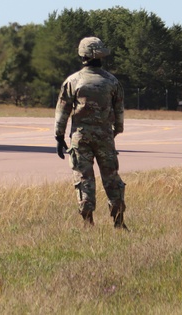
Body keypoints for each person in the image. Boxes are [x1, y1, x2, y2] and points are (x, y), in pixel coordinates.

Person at [54, 36, 127, 228]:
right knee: (111, 178)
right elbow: (119, 111)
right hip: (105, 136)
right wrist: (115, 131)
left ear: (82, 55)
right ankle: (118, 221)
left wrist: (59, 135)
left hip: (81, 137)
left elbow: (63, 110)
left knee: (83, 178)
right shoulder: (112, 81)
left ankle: (88, 222)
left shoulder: (73, 81)